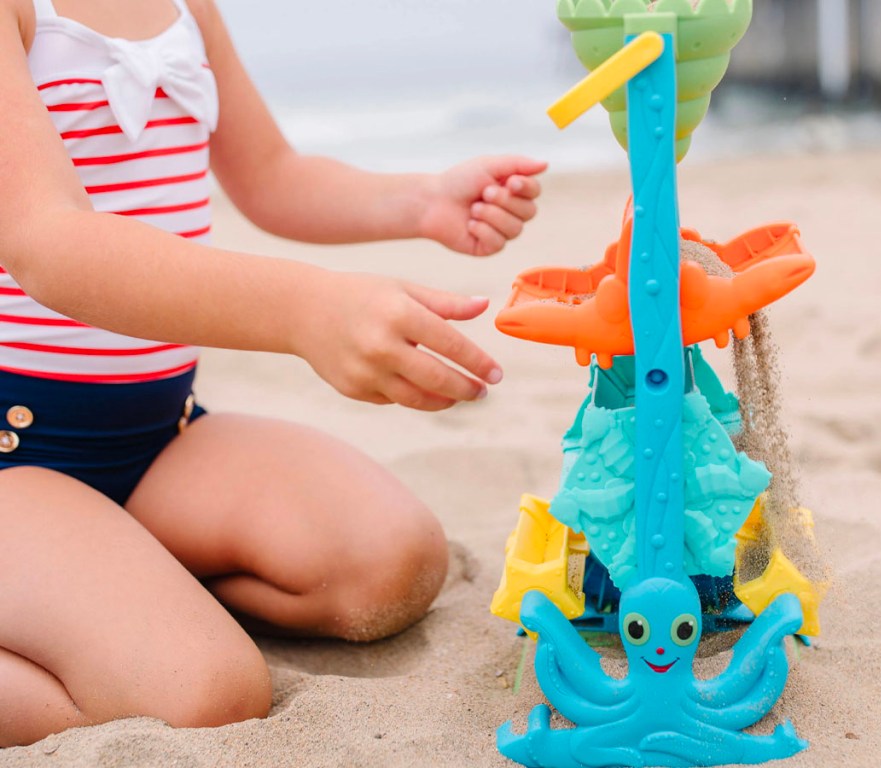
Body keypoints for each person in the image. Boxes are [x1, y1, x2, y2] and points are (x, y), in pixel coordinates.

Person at [0, 0, 545, 747]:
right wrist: (304, 310)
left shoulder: (187, 8)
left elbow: (272, 175)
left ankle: (120, 588)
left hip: (159, 435)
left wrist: (422, 200)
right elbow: (47, 242)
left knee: (390, 566)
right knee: (204, 694)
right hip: (15, 461)